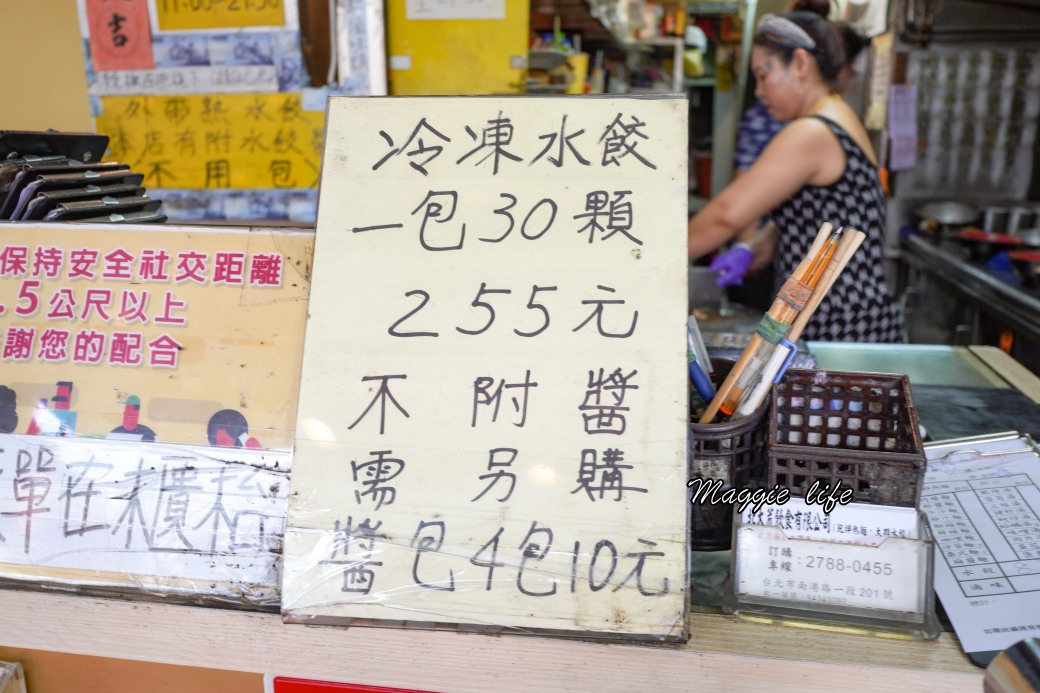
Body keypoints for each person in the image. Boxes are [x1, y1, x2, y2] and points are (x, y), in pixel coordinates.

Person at [688, 11, 905, 342]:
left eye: (764, 75)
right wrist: (753, 246)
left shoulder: (812, 132)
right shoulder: (840, 116)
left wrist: (649, 260)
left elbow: (725, 215)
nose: (759, 92)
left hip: (838, 322)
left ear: (801, 64)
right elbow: (826, 218)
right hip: (856, 314)